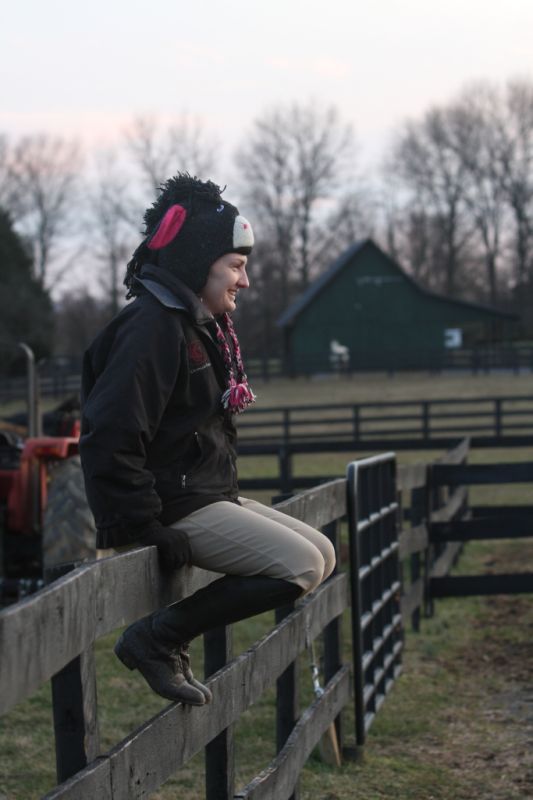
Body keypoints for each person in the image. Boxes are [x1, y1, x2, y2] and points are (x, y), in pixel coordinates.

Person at [79, 174, 336, 706]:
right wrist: (144, 524)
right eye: (236, 266)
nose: (245, 280)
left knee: (324, 554)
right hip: (169, 506)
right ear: (199, 262)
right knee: (303, 565)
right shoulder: (152, 327)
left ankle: (165, 638)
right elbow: (110, 434)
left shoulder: (191, 324)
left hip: (201, 494)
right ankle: (158, 638)